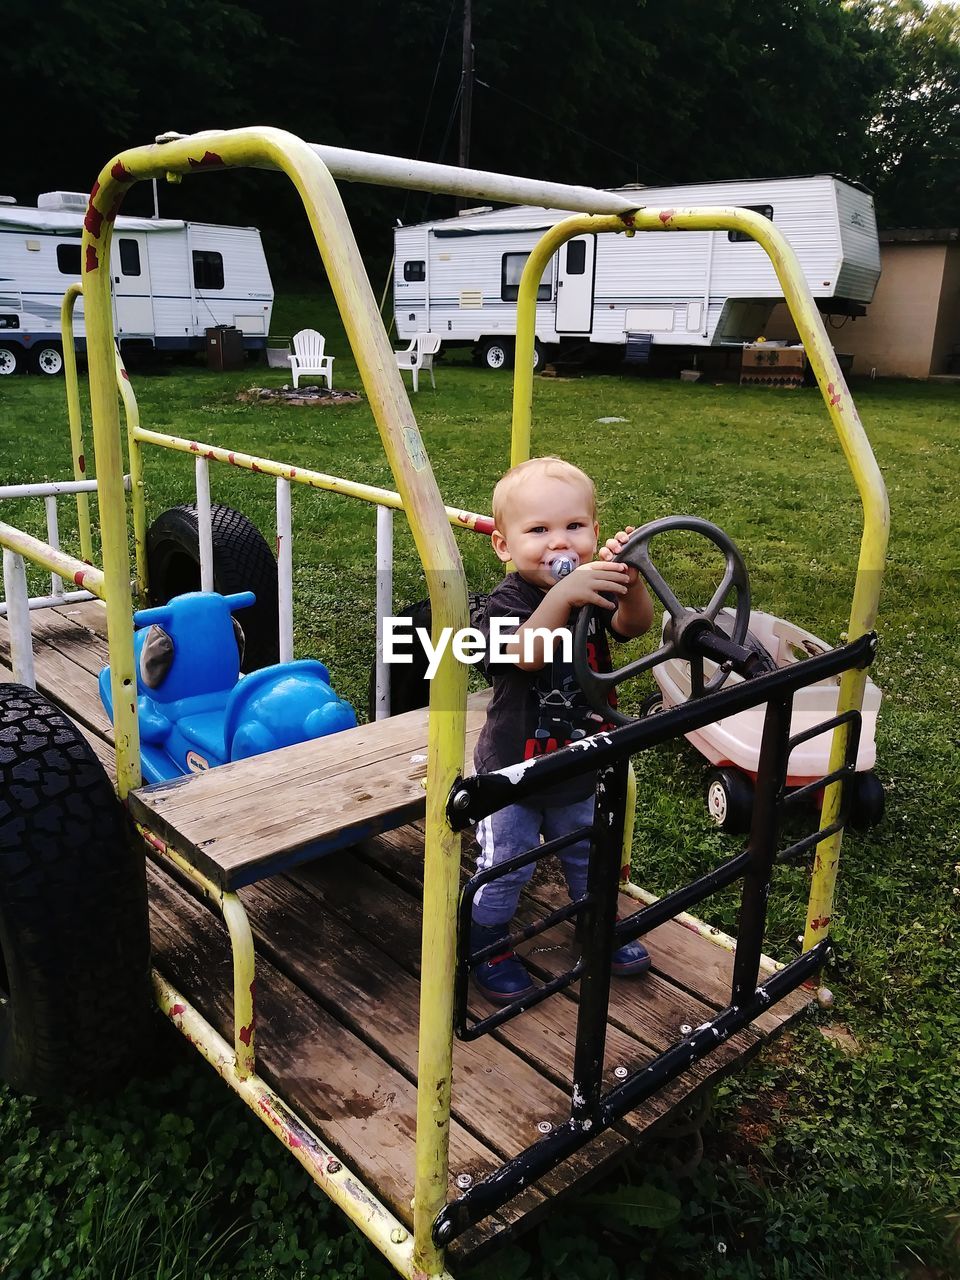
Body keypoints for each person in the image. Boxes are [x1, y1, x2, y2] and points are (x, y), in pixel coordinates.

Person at [471, 455, 655, 1002]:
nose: (560, 544)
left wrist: (632, 581)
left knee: (589, 852)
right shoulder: (502, 603)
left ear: (594, 532)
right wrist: (562, 598)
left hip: (581, 759)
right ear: (505, 546)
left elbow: (633, 625)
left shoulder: (590, 589)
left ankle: (596, 922)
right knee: (507, 862)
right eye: (539, 531)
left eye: (574, 527)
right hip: (515, 770)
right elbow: (523, 655)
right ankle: (485, 940)